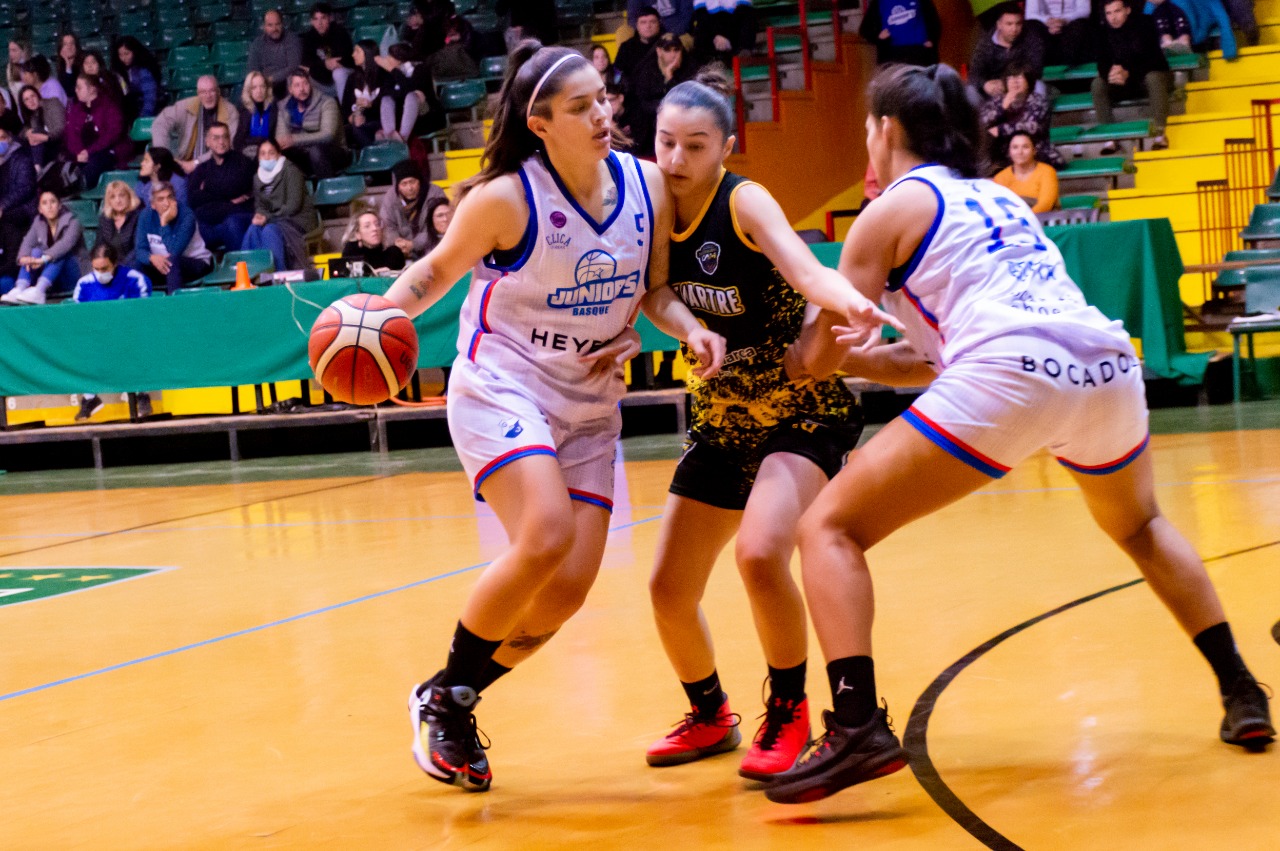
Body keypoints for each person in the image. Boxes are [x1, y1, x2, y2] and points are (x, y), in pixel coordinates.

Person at [761, 63, 1274, 806]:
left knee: (828, 528)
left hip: (1013, 372)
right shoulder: (997, 198)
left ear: (885, 130)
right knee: (1140, 524)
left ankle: (855, 723)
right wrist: (866, 359)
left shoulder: (886, 210)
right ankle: (1240, 686)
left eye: (867, 128)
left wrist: (771, 353)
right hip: (1103, 366)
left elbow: (818, 352)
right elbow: (934, 355)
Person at [383, 40, 726, 793]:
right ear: (540, 122)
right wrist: (376, 316)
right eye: (581, 107)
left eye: (602, 98)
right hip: (503, 385)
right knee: (545, 532)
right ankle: (449, 703)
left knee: (564, 594)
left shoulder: (645, 186)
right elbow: (435, 270)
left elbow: (657, 290)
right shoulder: (507, 198)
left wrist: (688, 327)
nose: (603, 114)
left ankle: (448, 685)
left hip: (589, 402)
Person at [644, 72, 891, 780]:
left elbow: (808, 270)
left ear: (725, 145)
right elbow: (657, 292)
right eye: (665, 142)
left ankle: (789, 709)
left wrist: (850, 300)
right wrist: (690, 328)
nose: (676, 158)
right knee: (667, 588)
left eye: (695, 145)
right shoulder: (654, 207)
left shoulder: (745, 201)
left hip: (798, 401)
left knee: (759, 554)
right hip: (724, 408)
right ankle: (710, 712)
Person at [72, 243, 153, 422]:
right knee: (81, 346)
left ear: (115, 263)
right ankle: (90, 399)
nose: (100, 273)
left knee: (138, 342)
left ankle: (141, 395)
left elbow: (144, 316)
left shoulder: (135, 280)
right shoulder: (83, 285)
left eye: (105, 268)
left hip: (129, 334)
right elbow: (80, 321)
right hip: (98, 337)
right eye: (96, 269)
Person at [1092, 0, 1170, 152]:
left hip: (1149, 77)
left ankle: (1160, 134)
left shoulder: (1145, 23)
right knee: (1097, 84)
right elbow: (1101, 63)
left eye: (1117, 11)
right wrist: (1113, 73)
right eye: (1109, 13)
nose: (1113, 17)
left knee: (1153, 77)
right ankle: (1110, 138)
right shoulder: (1102, 31)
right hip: (1123, 82)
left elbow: (1155, 60)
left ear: (1127, 9)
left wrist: (1129, 73)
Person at [240, 137, 317, 272]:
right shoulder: (257, 177)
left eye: (271, 153)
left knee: (270, 230)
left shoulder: (291, 171)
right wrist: (260, 216)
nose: (267, 157)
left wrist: (267, 218)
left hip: (297, 220)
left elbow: (293, 206)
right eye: (263, 154)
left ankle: (278, 276)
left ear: (279, 154)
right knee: (253, 230)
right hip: (274, 219)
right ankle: (249, 276)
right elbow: (260, 206)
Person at [1, 190, 88, 305]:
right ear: (40, 209)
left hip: (72, 275)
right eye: (45, 203)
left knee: (59, 255)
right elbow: (27, 243)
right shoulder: (38, 222)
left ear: (60, 205)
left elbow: (64, 245)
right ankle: (20, 288)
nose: (49, 206)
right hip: (51, 278)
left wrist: (42, 260)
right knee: (35, 251)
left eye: (53, 202)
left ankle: (39, 290)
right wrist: (24, 258)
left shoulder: (73, 222)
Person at [978, 65, 1064, 171]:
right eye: (1010, 78)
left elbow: (1032, 126)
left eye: (1019, 77)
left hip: (1034, 149)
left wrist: (1001, 129)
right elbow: (982, 123)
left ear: (1028, 82)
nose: (1014, 82)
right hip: (1004, 152)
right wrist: (1002, 108)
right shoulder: (997, 101)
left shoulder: (1038, 100)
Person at [134, 181, 213, 294]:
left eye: (170, 197)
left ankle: (175, 306)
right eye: (161, 199)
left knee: (172, 261)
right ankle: (140, 307)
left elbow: (174, 251)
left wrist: (164, 223)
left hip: (196, 263)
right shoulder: (145, 216)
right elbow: (140, 250)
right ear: (153, 204)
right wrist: (151, 258)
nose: (166, 203)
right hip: (163, 266)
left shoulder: (187, 216)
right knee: (135, 264)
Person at [188, 122, 256, 253]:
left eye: (225, 137)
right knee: (194, 225)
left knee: (231, 224)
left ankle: (239, 267)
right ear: (207, 142)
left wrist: (208, 191)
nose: (221, 142)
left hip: (238, 215)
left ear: (230, 140)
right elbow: (193, 198)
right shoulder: (202, 168)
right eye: (216, 138)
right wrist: (228, 201)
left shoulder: (242, 162)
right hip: (214, 217)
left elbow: (232, 187)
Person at [152, 76, 240, 174]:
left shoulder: (230, 111)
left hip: (218, 164)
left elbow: (228, 144)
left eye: (212, 91)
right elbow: (159, 124)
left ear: (218, 91)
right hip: (187, 162)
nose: (208, 96)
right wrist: (165, 156)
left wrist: (196, 163)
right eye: (203, 92)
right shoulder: (186, 106)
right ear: (198, 94)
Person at [630, 32, 697, 158]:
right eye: (668, 50)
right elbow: (642, 102)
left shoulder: (690, 69)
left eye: (676, 50)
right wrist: (663, 108)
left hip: (682, 117)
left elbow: (688, 99)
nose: (673, 55)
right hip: (651, 123)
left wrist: (670, 78)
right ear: (659, 51)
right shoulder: (646, 71)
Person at [279, 69, 349, 178]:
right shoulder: (283, 106)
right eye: (297, 85)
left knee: (316, 151)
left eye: (305, 84)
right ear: (290, 89)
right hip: (303, 153)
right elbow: (282, 138)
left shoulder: (327, 102)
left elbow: (328, 135)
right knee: (276, 153)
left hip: (333, 152)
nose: (302, 89)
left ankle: (327, 189)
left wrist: (295, 140)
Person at [66, 74, 130, 191]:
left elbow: (113, 134)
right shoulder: (76, 109)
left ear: (92, 89)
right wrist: (79, 153)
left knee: (96, 161)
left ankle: (79, 184)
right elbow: (71, 135)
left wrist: (89, 152)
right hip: (82, 155)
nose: (76, 90)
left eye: (79, 87)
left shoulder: (109, 106)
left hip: (106, 152)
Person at [969, 3, 1044, 101]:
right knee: (970, 91)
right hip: (994, 89)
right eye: (1009, 24)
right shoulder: (986, 43)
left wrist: (1008, 83)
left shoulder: (1031, 39)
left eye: (1018, 24)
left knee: (1040, 87)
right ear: (999, 24)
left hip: (1022, 86)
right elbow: (974, 73)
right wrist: (985, 84)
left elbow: (1036, 69)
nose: (1014, 29)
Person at [378, 158, 447, 260]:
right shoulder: (390, 197)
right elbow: (387, 226)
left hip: (431, 247)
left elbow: (437, 227)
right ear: (398, 186)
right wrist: (397, 242)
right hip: (402, 250)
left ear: (419, 181)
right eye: (404, 184)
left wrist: (413, 244)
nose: (409, 188)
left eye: (412, 182)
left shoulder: (435, 194)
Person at [376, 43, 445, 143]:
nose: (387, 59)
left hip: (425, 115)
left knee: (411, 96)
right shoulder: (390, 74)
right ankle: (390, 135)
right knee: (386, 98)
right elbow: (384, 92)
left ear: (399, 60)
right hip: (402, 116)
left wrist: (394, 72)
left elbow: (411, 89)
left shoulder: (420, 69)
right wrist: (399, 90)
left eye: (390, 56)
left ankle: (403, 139)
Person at [0, 124, 37, 294]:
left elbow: (25, 188)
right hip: (5, 210)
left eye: (2, 138)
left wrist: (3, 206)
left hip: (23, 211)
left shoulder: (21, 159)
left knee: (6, 221)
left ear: (9, 139)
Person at [992, 130, 1060, 212]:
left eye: (1025, 147)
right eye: (1015, 147)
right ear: (1009, 152)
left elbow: (1045, 205)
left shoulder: (1047, 172)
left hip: (1043, 220)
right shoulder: (1000, 178)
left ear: (1034, 151)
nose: (1020, 152)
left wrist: (1024, 220)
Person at [858, 0, 941, 67]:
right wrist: (878, 37)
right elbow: (865, 30)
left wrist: (932, 40)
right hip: (892, 55)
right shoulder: (879, 2)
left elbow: (934, 21)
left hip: (919, 52)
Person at [301, 2, 355, 102]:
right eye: (316, 19)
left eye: (323, 18)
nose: (319, 23)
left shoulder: (340, 33)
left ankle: (346, 112)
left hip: (342, 77)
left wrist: (317, 67)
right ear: (311, 21)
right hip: (321, 79)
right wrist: (325, 64)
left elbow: (344, 61)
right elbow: (306, 63)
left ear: (330, 18)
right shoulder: (309, 37)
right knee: (300, 78)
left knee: (338, 73)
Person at [248, 9, 305, 101]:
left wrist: (271, 79)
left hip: (285, 82)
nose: (274, 29)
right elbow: (252, 70)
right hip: (264, 84)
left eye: (277, 24)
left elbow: (293, 66)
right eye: (270, 25)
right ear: (264, 27)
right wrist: (262, 82)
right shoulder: (257, 43)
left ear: (282, 24)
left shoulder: (292, 39)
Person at [342, 40, 386, 149]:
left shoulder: (383, 75)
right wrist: (352, 118)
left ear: (368, 53)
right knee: (348, 130)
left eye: (357, 51)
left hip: (379, 121)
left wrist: (370, 105)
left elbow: (388, 105)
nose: (353, 55)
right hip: (359, 123)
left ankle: (375, 156)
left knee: (360, 129)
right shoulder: (352, 78)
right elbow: (345, 107)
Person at [1023, 0, 1094, 66]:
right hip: (1045, 25)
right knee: (1031, 26)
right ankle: (1036, 70)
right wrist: (1048, 21)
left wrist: (1064, 20)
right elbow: (1030, 14)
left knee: (1082, 25)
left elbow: (1084, 10)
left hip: (1070, 23)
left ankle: (1068, 67)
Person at [691, 0, 756, 68]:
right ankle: (710, 62)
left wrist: (727, 37)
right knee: (700, 28)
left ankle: (742, 54)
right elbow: (701, 14)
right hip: (712, 25)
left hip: (734, 22)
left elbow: (743, 9)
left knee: (748, 17)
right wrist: (716, 35)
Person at [112, 37, 163, 120]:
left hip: (145, 113)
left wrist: (143, 118)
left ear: (134, 52)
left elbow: (150, 97)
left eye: (127, 53)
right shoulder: (118, 72)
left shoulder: (144, 71)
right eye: (120, 55)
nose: (123, 58)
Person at [341, 210, 406, 274]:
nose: (374, 228)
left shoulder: (394, 253)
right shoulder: (351, 253)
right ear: (358, 234)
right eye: (367, 226)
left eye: (377, 224)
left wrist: (390, 273)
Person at [94, 180, 143, 260]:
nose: (118, 201)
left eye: (122, 195)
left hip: (132, 264)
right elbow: (99, 246)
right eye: (113, 197)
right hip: (110, 265)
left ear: (129, 197)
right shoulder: (105, 219)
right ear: (109, 201)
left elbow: (138, 249)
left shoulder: (138, 216)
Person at [235, 71, 280, 158]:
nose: (259, 91)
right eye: (254, 87)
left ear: (267, 88)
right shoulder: (244, 110)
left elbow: (275, 137)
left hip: (270, 152)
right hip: (248, 153)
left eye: (262, 86)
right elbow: (238, 141)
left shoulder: (273, 107)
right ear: (249, 90)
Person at [615, 6, 663, 84]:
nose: (648, 26)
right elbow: (617, 74)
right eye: (643, 22)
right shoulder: (626, 47)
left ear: (659, 24)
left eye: (653, 22)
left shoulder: (667, 45)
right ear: (637, 26)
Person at [17, 85, 63, 167]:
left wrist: (45, 138)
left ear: (38, 95)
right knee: (18, 141)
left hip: (60, 143)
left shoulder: (52, 103)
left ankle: (37, 168)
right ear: (24, 104)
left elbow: (61, 129)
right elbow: (22, 133)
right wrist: (27, 133)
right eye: (26, 100)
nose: (31, 101)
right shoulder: (33, 116)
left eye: (32, 96)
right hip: (46, 148)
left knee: (35, 132)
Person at [629, 0, 695, 39]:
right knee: (623, 32)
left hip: (679, 34)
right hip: (647, 32)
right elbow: (632, 18)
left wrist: (671, 34)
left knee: (670, 46)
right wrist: (647, 33)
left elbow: (687, 18)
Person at [6, 40, 30, 104]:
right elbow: (15, 96)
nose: (10, 54)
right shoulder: (10, 68)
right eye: (9, 50)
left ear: (23, 51)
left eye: (14, 50)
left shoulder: (33, 65)